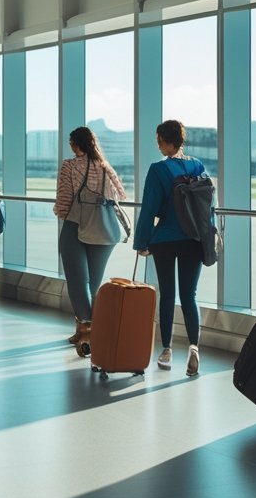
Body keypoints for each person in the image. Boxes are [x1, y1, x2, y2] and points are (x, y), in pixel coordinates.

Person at [133, 120, 211, 377]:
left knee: (168, 295)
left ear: (167, 141)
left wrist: (142, 242)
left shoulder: (158, 170)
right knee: (190, 296)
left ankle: (166, 350)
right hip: (194, 240)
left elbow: (149, 208)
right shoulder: (198, 166)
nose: (158, 145)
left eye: (159, 141)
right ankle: (194, 347)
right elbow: (206, 207)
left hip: (165, 239)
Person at [53, 126, 127, 350]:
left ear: (76, 144)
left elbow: (64, 199)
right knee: (92, 285)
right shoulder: (105, 166)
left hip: (77, 226)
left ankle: (87, 331)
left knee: (77, 282)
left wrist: (61, 213)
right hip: (104, 229)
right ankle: (88, 331)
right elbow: (120, 194)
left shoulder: (70, 165)